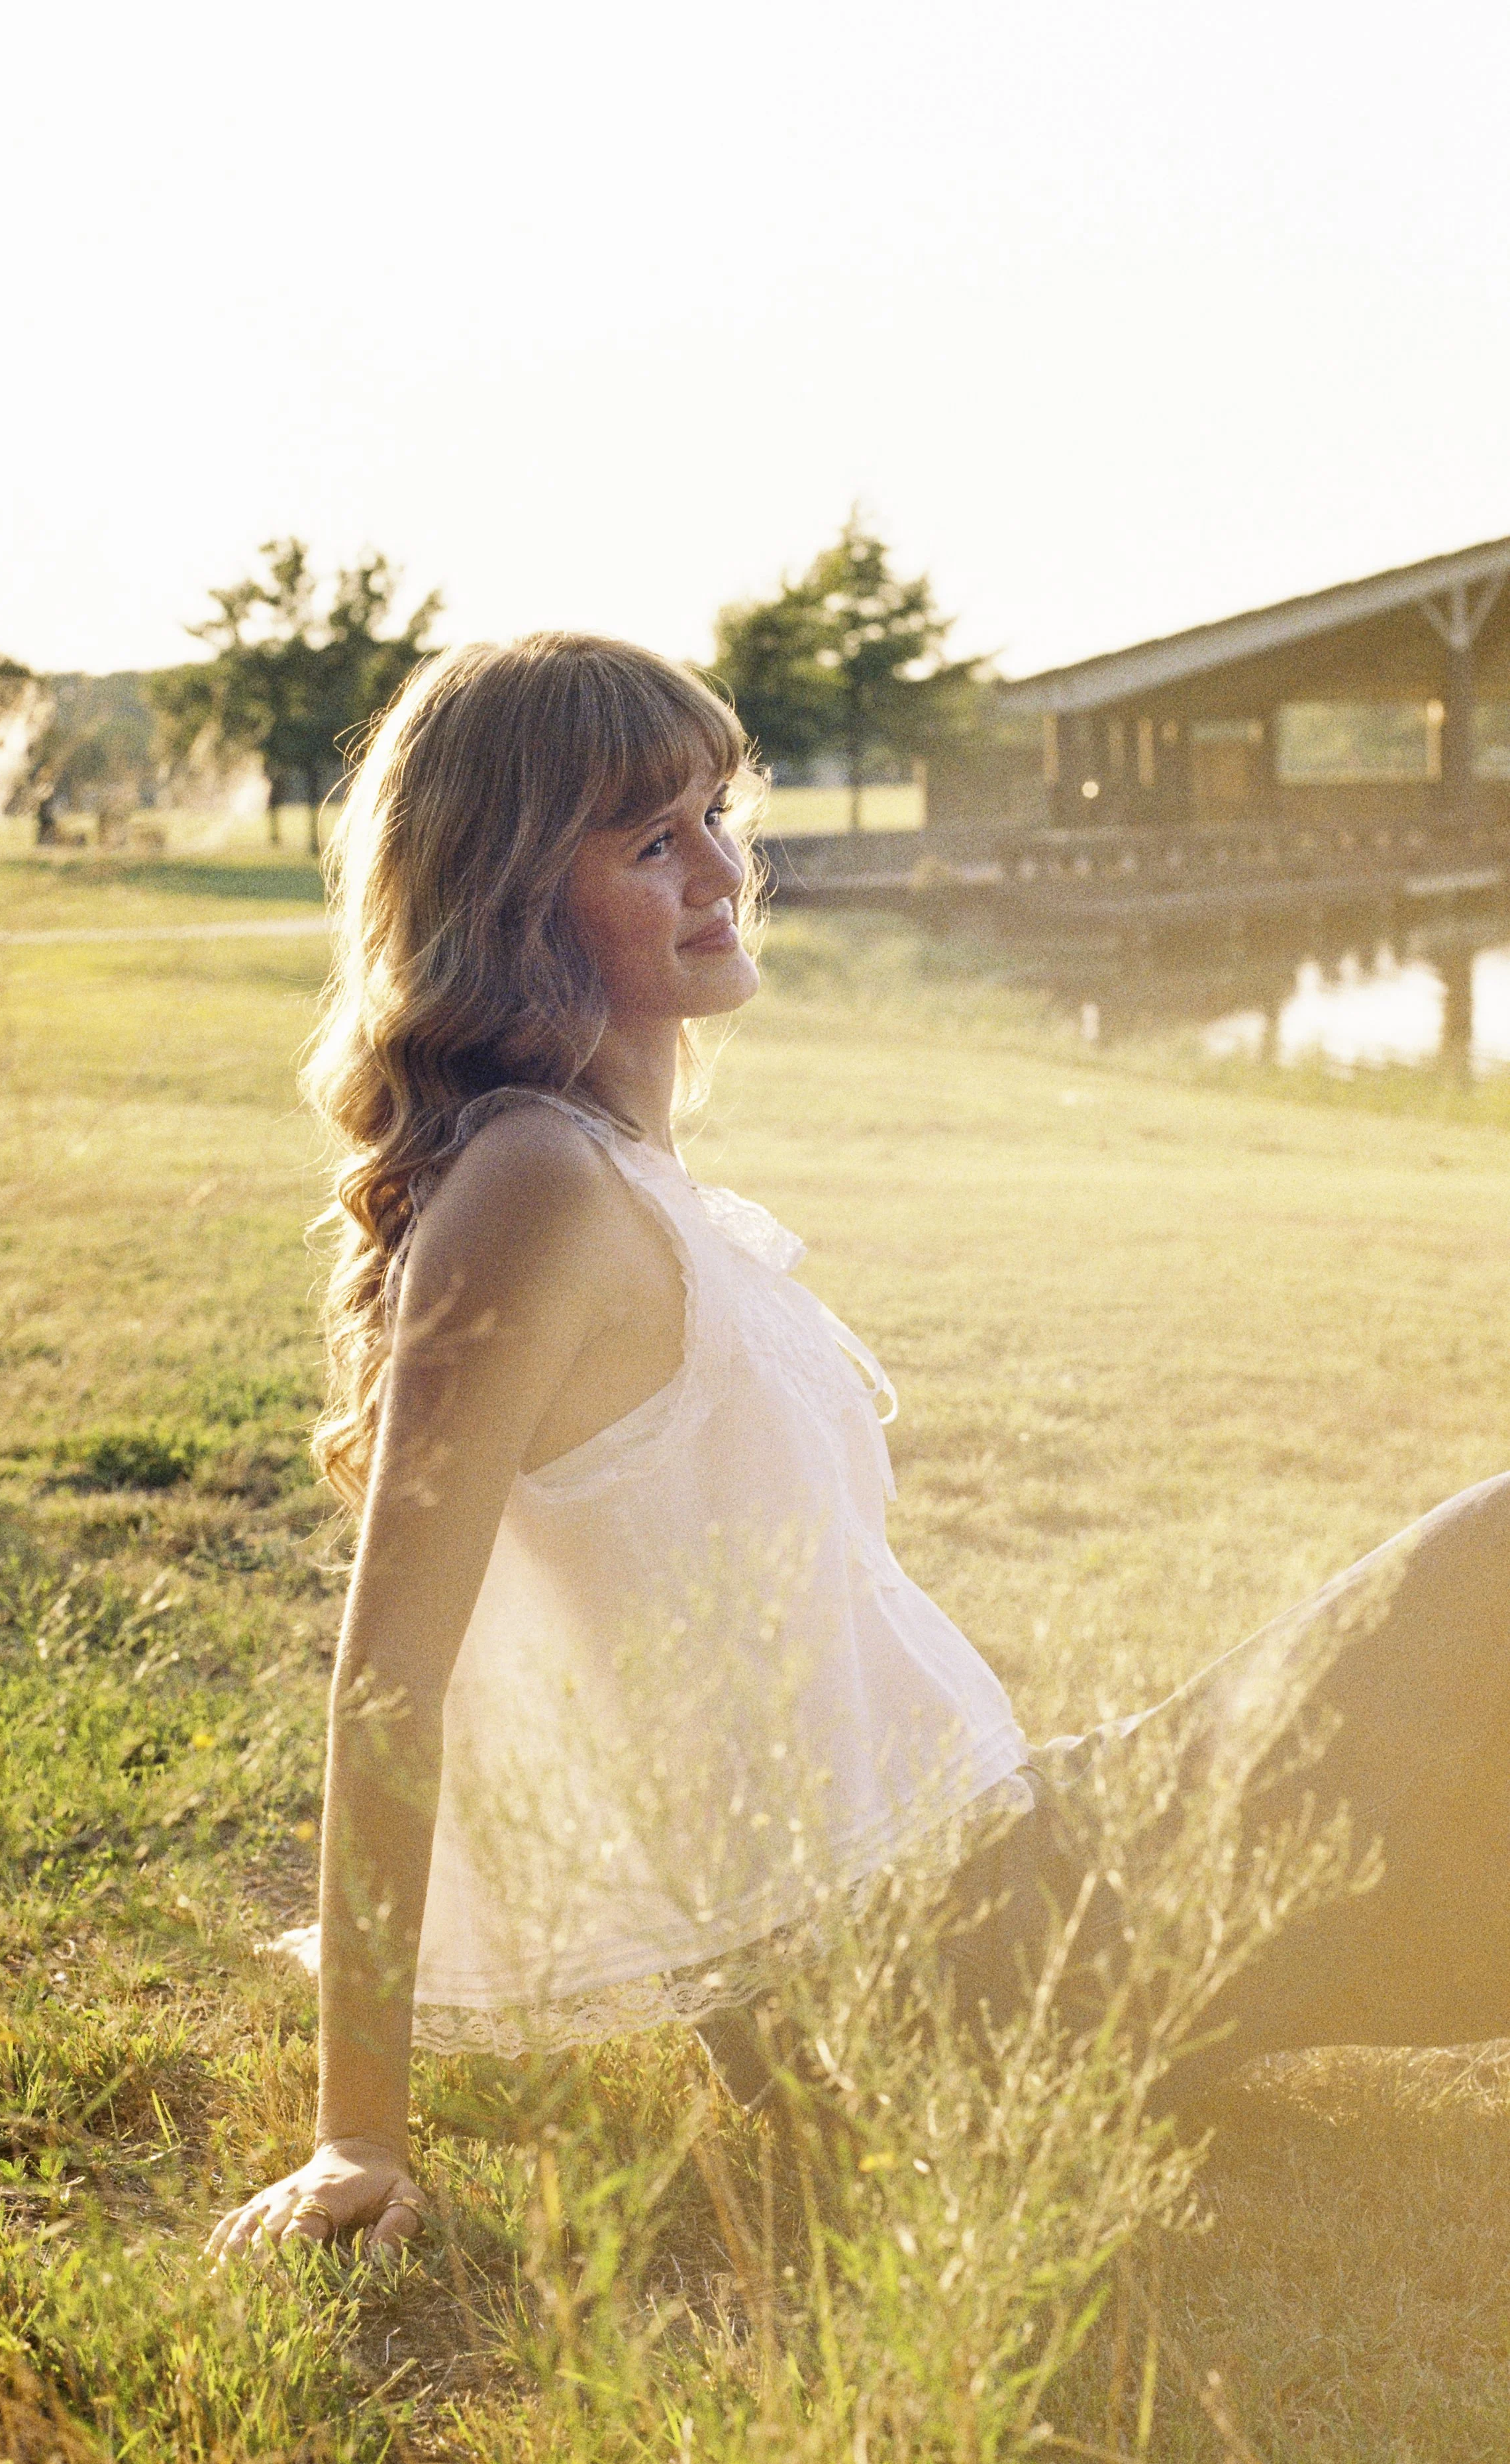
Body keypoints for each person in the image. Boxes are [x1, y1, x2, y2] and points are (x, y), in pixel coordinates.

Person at [207, 636, 1510, 2263]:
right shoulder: (534, 1189)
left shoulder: (613, 1177)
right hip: (936, 1958)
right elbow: (392, 1668)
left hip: (1016, 1858)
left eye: (712, 813)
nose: (719, 869)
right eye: (647, 839)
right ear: (509, 894)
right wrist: (357, 2131)